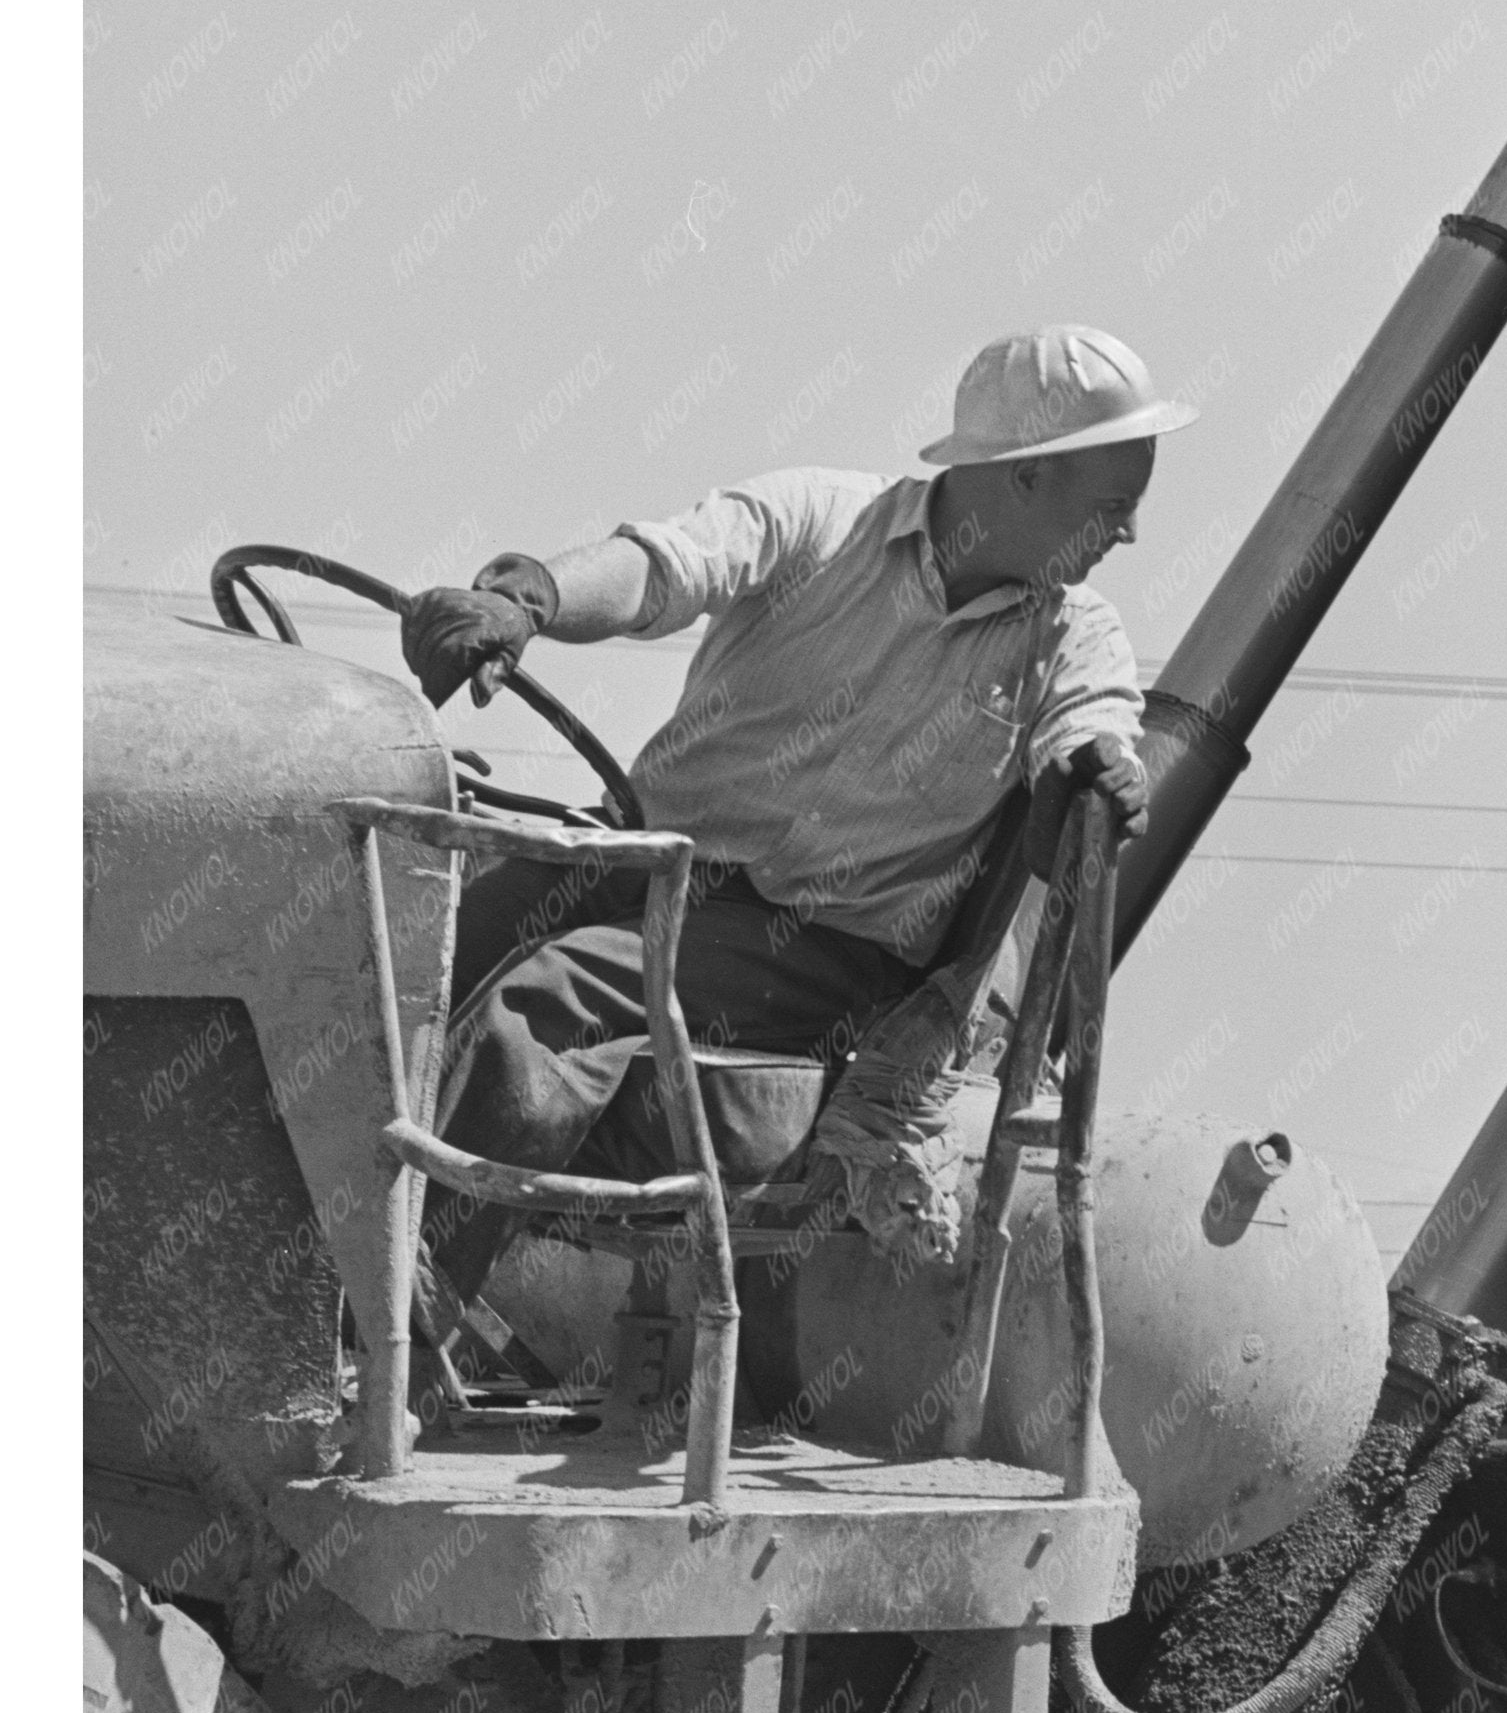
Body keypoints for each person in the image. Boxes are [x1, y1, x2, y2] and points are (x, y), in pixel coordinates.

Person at [400, 326, 1188, 1264]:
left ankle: (400, 1301)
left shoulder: (1074, 639)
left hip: (815, 944)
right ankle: (313, 1244)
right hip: (644, 861)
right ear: (1025, 475)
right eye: (1115, 504)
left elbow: (1090, 733)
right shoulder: (820, 516)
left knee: (549, 1000)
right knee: (413, 961)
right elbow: (665, 567)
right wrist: (531, 599)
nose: (1128, 532)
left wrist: (1090, 774)